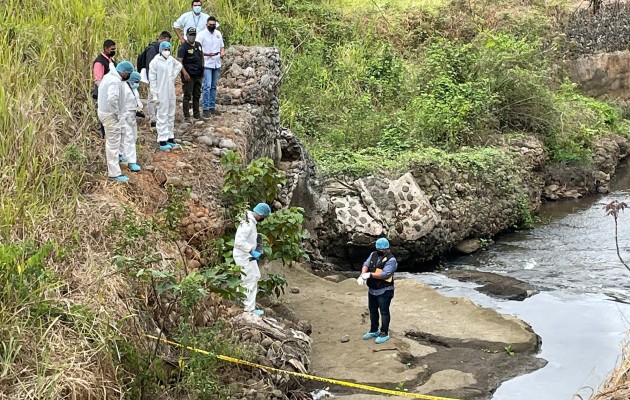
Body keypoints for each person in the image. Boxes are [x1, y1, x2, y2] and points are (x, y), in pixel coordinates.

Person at [97, 61, 135, 182]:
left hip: (106, 112)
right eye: (128, 74)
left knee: (115, 140)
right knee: (112, 144)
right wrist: (117, 114)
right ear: (124, 73)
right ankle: (114, 173)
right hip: (110, 115)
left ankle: (118, 162)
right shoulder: (114, 80)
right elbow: (112, 99)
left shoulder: (108, 77)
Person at [233, 203, 272, 316]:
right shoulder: (248, 223)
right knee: (249, 280)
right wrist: (251, 250)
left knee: (254, 276)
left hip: (247, 256)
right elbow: (239, 242)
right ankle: (248, 309)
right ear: (261, 214)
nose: (264, 219)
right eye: (264, 217)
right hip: (244, 256)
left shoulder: (250, 221)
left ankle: (245, 304)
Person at [358, 238, 397, 344]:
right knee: (373, 310)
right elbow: (366, 264)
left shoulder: (391, 260)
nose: (379, 250)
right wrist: (363, 274)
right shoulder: (373, 254)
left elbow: (385, 274)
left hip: (385, 290)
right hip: (372, 289)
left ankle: (384, 332)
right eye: (378, 248)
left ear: (386, 249)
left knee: (384, 312)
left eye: (381, 249)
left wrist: (370, 275)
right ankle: (374, 330)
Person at [149, 41, 183, 151]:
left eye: (168, 49)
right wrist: (154, 94)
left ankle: (170, 137)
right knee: (162, 115)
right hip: (161, 91)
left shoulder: (170, 59)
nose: (167, 51)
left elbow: (179, 65)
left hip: (170, 90)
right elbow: (152, 79)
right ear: (160, 50)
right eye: (165, 49)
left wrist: (173, 75)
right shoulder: (155, 62)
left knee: (171, 114)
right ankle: (162, 139)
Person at [139, 31, 172, 127]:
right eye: (166, 41)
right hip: (154, 78)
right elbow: (150, 65)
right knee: (151, 97)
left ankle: (158, 116)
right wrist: (152, 79)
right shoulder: (152, 49)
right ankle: (153, 118)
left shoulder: (160, 49)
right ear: (161, 38)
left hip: (161, 78)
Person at [196, 16, 224, 118]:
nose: (212, 26)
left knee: (213, 86)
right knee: (207, 86)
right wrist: (207, 54)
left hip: (216, 62)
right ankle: (206, 108)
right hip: (207, 62)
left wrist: (222, 53)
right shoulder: (201, 35)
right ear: (207, 24)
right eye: (210, 25)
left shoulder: (218, 34)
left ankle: (212, 106)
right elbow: (197, 49)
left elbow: (222, 46)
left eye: (214, 25)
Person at [177, 27, 204, 122]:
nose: (192, 37)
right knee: (187, 96)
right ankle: (187, 116)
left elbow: (201, 57)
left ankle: (197, 114)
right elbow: (179, 62)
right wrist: (184, 73)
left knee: (197, 95)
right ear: (187, 35)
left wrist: (202, 70)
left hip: (198, 74)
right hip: (188, 75)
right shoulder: (183, 48)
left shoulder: (198, 45)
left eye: (194, 35)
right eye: (190, 35)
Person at [93, 39, 117, 138]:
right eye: (112, 49)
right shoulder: (99, 62)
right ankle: (105, 136)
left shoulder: (110, 60)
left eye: (115, 49)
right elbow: (98, 80)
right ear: (106, 49)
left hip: (110, 92)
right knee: (105, 115)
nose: (114, 51)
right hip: (103, 94)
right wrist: (107, 90)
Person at [120, 71, 143, 172]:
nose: (136, 84)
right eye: (135, 82)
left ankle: (128, 157)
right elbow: (121, 104)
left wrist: (139, 107)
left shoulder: (133, 89)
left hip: (132, 115)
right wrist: (126, 116)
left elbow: (136, 99)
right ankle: (130, 161)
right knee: (128, 138)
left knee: (133, 137)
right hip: (125, 116)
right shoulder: (124, 88)